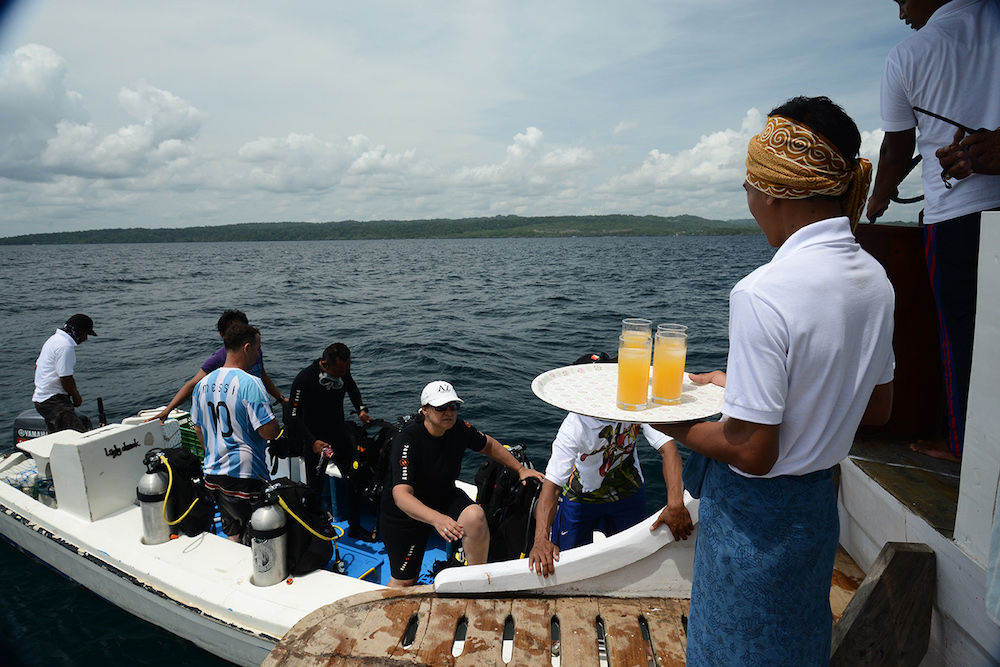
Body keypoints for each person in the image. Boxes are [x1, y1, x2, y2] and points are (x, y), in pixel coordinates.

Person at [653, 97, 895, 665]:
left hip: (753, 524)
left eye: (746, 185)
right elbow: (877, 407)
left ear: (772, 189)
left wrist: (667, 420)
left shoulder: (763, 291)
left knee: (733, 649)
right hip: (815, 510)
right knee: (797, 643)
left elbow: (753, 450)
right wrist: (737, 381)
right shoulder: (875, 279)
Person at [866, 0, 1000, 461]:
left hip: (959, 216)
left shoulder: (908, 55)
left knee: (960, 335)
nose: (901, 11)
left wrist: (876, 199)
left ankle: (962, 445)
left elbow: (898, 146)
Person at [527, 356, 693, 578]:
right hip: (581, 499)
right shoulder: (574, 427)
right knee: (569, 564)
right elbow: (552, 486)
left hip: (627, 495)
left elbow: (668, 449)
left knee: (637, 560)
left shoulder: (635, 407)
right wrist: (541, 540)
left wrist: (675, 504)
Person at [379, 380, 545, 587]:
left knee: (475, 516)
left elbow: (489, 445)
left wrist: (520, 469)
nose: (448, 412)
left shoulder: (458, 428)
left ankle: (475, 584)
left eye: (453, 406)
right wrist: (437, 519)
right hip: (405, 514)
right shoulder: (408, 440)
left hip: (443, 495)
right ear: (425, 410)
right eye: (441, 408)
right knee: (405, 581)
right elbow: (401, 496)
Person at [191, 322, 279, 544]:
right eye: (258, 348)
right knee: (259, 531)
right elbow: (268, 431)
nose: (258, 354)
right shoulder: (251, 384)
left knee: (233, 531)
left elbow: (198, 428)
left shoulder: (202, 384)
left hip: (212, 473)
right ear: (247, 347)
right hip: (245, 475)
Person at [286, 343, 372, 538]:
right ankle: (317, 529)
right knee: (315, 487)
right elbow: (292, 417)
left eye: (346, 370)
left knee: (353, 478)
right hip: (317, 442)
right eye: (339, 371)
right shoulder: (304, 379)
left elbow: (352, 388)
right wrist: (313, 441)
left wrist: (361, 409)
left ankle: (355, 527)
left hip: (339, 436)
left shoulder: (343, 373)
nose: (342, 374)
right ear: (324, 364)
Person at [150, 309, 286, 423]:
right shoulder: (219, 358)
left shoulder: (255, 351)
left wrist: (280, 398)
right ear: (222, 335)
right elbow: (192, 385)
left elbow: (262, 374)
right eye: (233, 330)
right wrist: (168, 410)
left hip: (258, 408)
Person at [32, 314, 97, 433]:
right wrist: (76, 397)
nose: (85, 339)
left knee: (58, 437)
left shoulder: (53, 340)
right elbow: (66, 378)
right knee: (78, 437)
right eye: (85, 334)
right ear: (78, 331)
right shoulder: (65, 346)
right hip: (53, 401)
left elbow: (37, 366)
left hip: (42, 399)